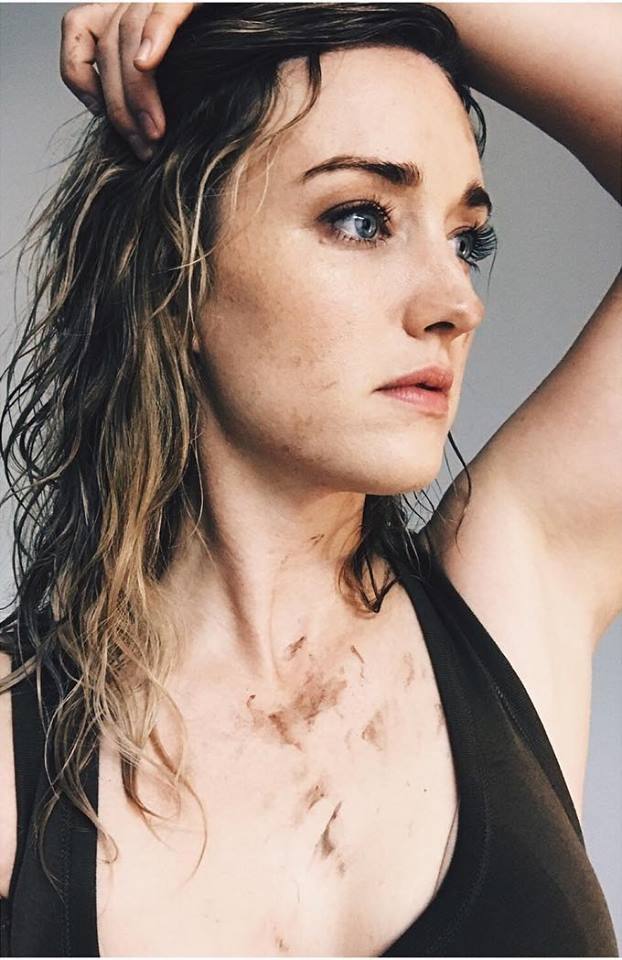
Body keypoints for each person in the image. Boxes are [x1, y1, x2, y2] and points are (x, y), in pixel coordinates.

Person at [0, 3, 620, 956]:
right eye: (361, 218)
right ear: (174, 265)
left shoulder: (512, 587)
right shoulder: (15, 755)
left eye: (468, 238)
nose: (456, 301)